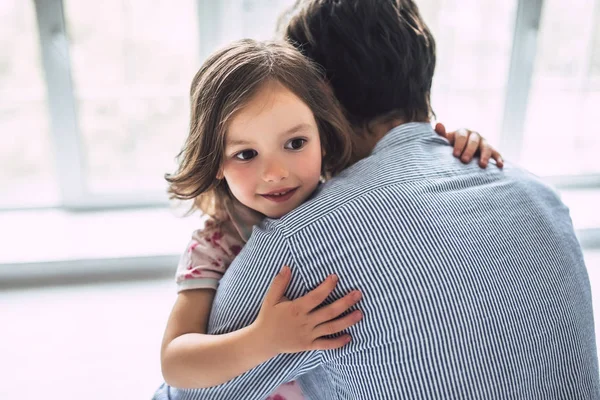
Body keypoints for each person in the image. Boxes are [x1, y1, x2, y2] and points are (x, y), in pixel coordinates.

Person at [157, 39, 501, 400]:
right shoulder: (213, 246)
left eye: (295, 144)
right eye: (246, 154)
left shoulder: (343, 186)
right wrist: (263, 339)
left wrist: (455, 142)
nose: (275, 173)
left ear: (322, 134)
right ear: (214, 162)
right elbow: (175, 363)